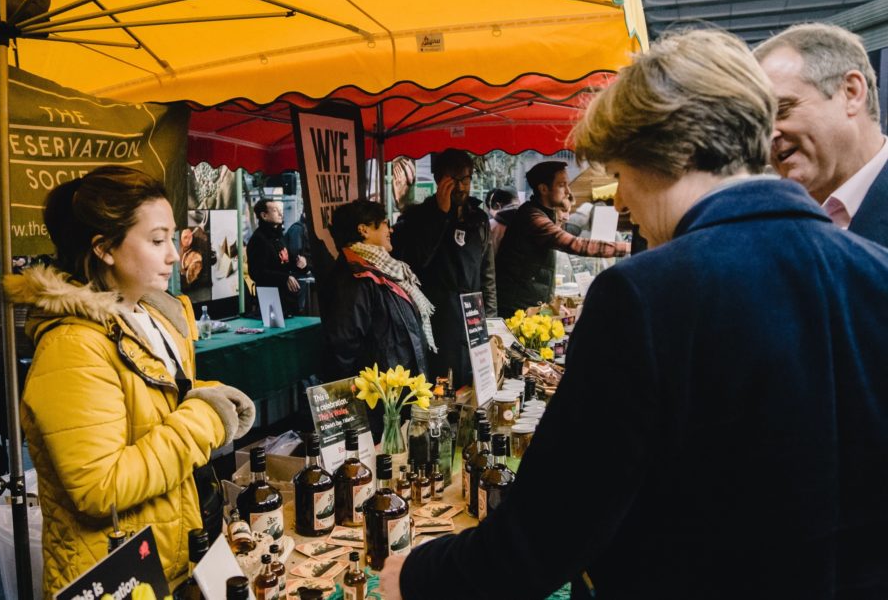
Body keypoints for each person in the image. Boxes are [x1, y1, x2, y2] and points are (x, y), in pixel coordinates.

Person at [379, 30, 888, 599]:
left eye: (620, 173)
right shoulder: (877, 271)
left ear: (665, 151)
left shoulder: (644, 296)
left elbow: (547, 533)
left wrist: (420, 575)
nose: (619, 201)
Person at [5, 166, 256, 598]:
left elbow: (155, 402)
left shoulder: (153, 315)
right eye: (156, 241)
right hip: (116, 575)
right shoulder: (72, 346)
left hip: (175, 552)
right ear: (104, 248)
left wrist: (210, 397)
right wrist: (204, 417)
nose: (173, 255)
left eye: (171, 238)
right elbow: (99, 486)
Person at [754, 22, 888, 247]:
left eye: (782, 110)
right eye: (757, 124)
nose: (767, 137)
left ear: (851, 93)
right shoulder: (768, 223)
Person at [391, 148, 496, 387]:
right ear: (439, 180)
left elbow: (487, 274)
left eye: (465, 180)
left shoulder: (478, 219)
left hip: (473, 316)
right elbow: (415, 263)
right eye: (453, 180)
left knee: (474, 383)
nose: (460, 187)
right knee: (440, 385)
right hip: (437, 318)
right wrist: (440, 214)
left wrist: (491, 319)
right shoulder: (417, 218)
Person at [495, 160, 629, 317]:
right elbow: (575, 244)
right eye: (561, 185)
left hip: (530, 305)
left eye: (567, 184)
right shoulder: (532, 216)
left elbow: (572, 230)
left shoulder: (545, 213)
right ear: (543, 189)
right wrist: (627, 248)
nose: (568, 191)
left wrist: (550, 304)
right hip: (516, 309)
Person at [322, 200, 432, 381]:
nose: (390, 230)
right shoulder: (355, 278)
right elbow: (343, 345)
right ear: (363, 230)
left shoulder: (382, 269)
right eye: (384, 224)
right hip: (380, 394)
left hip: (397, 389)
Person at [247, 198, 307, 316]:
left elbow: (286, 261)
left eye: (280, 210)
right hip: (270, 299)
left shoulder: (279, 237)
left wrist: (301, 263)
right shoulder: (258, 240)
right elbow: (256, 272)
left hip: (288, 299)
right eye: (275, 211)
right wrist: (285, 278)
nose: (280, 213)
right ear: (264, 215)